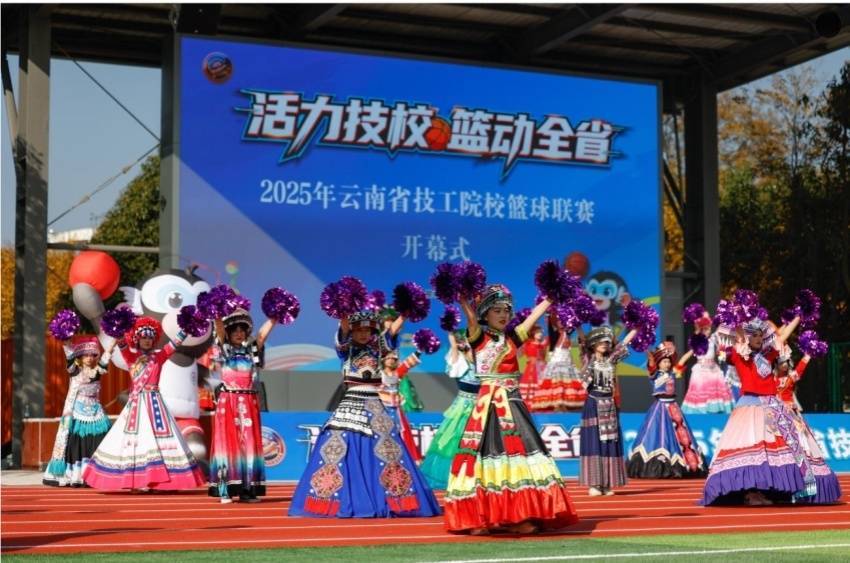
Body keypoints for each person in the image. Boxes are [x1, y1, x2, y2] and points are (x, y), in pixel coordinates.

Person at [444, 284, 579, 535]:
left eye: (506, 310)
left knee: (520, 456)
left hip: (513, 402)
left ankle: (518, 516)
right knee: (487, 458)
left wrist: (550, 298)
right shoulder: (478, 337)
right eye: (497, 310)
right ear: (485, 314)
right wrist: (463, 301)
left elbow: (532, 319)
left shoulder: (512, 338)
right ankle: (480, 518)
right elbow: (471, 320)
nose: (503, 315)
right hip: (488, 406)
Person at [289, 309, 441, 518]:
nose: (363, 334)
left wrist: (405, 313)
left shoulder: (377, 349)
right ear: (352, 332)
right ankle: (333, 500)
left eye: (367, 331)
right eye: (359, 330)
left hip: (375, 405)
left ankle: (395, 500)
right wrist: (342, 310)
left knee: (389, 453)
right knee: (337, 450)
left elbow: (391, 332)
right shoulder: (346, 350)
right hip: (350, 403)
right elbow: (343, 330)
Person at [702, 317, 841, 505]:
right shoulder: (738, 353)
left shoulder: (768, 354)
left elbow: (781, 336)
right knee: (754, 450)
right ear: (746, 337)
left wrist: (798, 316)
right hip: (750, 406)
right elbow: (731, 333)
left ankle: (783, 490)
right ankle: (751, 492)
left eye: (761, 335)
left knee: (789, 448)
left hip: (773, 405)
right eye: (754, 335)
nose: (759, 338)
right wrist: (737, 315)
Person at [83, 317, 206, 490]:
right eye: (144, 337)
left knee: (160, 442)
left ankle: (162, 482)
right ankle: (136, 480)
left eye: (150, 337)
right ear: (137, 339)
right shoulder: (130, 357)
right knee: (136, 442)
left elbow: (175, 343)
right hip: (137, 406)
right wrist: (118, 330)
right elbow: (121, 343)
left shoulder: (159, 356)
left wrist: (186, 329)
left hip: (155, 405)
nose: (147, 340)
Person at [208, 308, 277, 503]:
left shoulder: (251, 350)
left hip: (248, 402)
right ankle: (226, 490)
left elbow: (262, 336)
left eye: (242, 330)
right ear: (229, 333)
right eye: (235, 330)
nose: (239, 333)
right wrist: (217, 313)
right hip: (229, 400)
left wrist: (274, 318)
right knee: (227, 444)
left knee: (249, 446)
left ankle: (247, 490)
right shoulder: (225, 349)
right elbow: (219, 330)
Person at [626, 342, 706, 478]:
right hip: (660, 408)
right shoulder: (654, 374)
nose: (667, 364)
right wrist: (644, 346)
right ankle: (658, 466)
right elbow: (651, 360)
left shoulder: (672, 373)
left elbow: (682, 360)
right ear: (658, 363)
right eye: (664, 361)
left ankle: (684, 464)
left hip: (673, 407)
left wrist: (694, 349)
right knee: (659, 434)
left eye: (668, 361)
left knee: (680, 437)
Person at [43, 336, 114, 487]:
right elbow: (69, 357)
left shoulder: (97, 371)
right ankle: (75, 475)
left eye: (92, 355)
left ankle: (96, 475)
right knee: (76, 443)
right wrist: (65, 341)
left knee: (99, 440)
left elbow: (106, 357)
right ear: (80, 357)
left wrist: (114, 340)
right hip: (76, 412)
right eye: (85, 355)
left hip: (95, 412)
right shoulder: (75, 371)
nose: (89, 358)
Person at [578, 325, 637, 496]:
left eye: (607, 341)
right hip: (593, 404)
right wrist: (577, 324)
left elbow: (624, 344)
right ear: (593, 344)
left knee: (609, 443)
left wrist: (638, 326)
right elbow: (582, 340)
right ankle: (595, 484)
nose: (605, 344)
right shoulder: (587, 358)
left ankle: (607, 483)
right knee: (594, 443)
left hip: (609, 406)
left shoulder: (611, 360)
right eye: (601, 341)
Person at [420, 330, 479, 490]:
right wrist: (451, 335)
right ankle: (456, 475)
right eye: (470, 345)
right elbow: (453, 350)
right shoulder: (460, 361)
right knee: (456, 439)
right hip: (463, 406)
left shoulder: (484, 363)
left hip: (482, 404)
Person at [680, 315, 734, 414]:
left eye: (708, 328)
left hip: (713, 370)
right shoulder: (697, 342)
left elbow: (720, 331)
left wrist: (727, 317)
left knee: (715, 392)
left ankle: (715, 412)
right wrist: (679, 366)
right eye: (704, 329)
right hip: (700, 371)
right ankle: (701, 414)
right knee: (700, 390)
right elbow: (688, 354)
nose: (707, 331)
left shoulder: (712, 339)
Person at [531, 315, 585, 411]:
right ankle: (557, 408)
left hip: (568, 365)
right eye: (559, 320)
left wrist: (577, 322)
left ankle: (566, 408)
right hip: (556, 366)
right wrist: (549, 314)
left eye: (563, 320)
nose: (561, 322)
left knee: (568, 390)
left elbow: (581, 336)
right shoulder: (554, 335)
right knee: (557, 389)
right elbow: (550, 326)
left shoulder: (567, 333)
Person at [379, 349, 424, 463]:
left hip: (396, 410)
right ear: (383, 359)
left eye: (393, 358)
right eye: (388, 358)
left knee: (404, 432)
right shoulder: (377, 374)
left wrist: (419, 351)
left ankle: (408, 461)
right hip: (381, 409)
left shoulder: (397, 373)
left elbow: (408, 363)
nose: (391, 360)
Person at [518, 324, 548, 410]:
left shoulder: (542, 345)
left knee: (542, 384)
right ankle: (530, 402)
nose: (540, 334)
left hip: (542, 368)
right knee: (531, 384)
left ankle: (541, 402)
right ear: (533, 333)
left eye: (541, 332)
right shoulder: (527, 343)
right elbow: (519, 354)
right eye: (537, 332)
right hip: (531, 369)